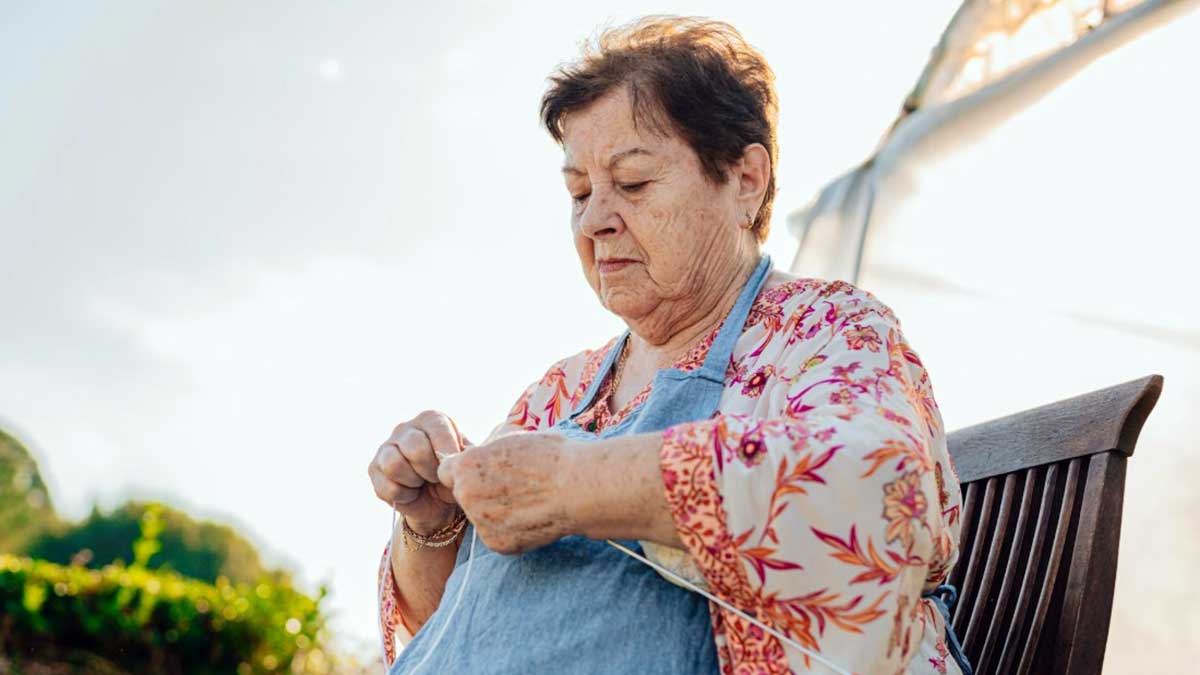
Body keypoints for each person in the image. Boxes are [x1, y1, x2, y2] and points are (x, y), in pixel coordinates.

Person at [367, 16, 967, 674]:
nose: (595, 220)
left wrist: (580, 482)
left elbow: (881, 493)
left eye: (632, 183)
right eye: (578, 192)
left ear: (745, 178)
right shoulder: (561, 390)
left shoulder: (825, 328)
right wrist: (433, 526)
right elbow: (455, 626)